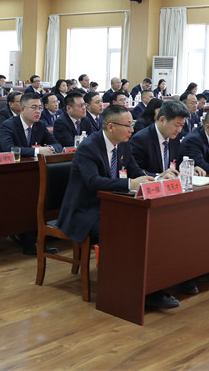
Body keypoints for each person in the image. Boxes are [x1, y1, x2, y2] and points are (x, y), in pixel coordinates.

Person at [55, 106, 171, 303]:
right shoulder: (88, 147)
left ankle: (150, 285)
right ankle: (125, 289)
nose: (132, 130)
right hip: (85, 211)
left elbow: (135, 170)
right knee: (126, 232)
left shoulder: (123, 144)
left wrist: (158, 177)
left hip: (113, 206)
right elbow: (93, 182)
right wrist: (129, 184)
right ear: (110, 127)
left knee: (148, 225)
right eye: (127, 126)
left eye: (132, 125)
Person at [130, 100, 206, 178]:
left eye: (182, 125)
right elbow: (135, 172)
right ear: (162, 120)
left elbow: (177, 164)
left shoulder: (173, 137)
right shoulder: (141, 139)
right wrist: (158, 177)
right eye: (177, 125)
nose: (179, 130)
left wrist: (189, 169)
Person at [0, 93, 62, 157]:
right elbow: (9, 149)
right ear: (22, 109)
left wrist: (50, 149)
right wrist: (38, 151)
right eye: (34, 107)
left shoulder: (40, 125)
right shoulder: (8, 125)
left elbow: (57, 145)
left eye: (40, 108)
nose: (38, 111)